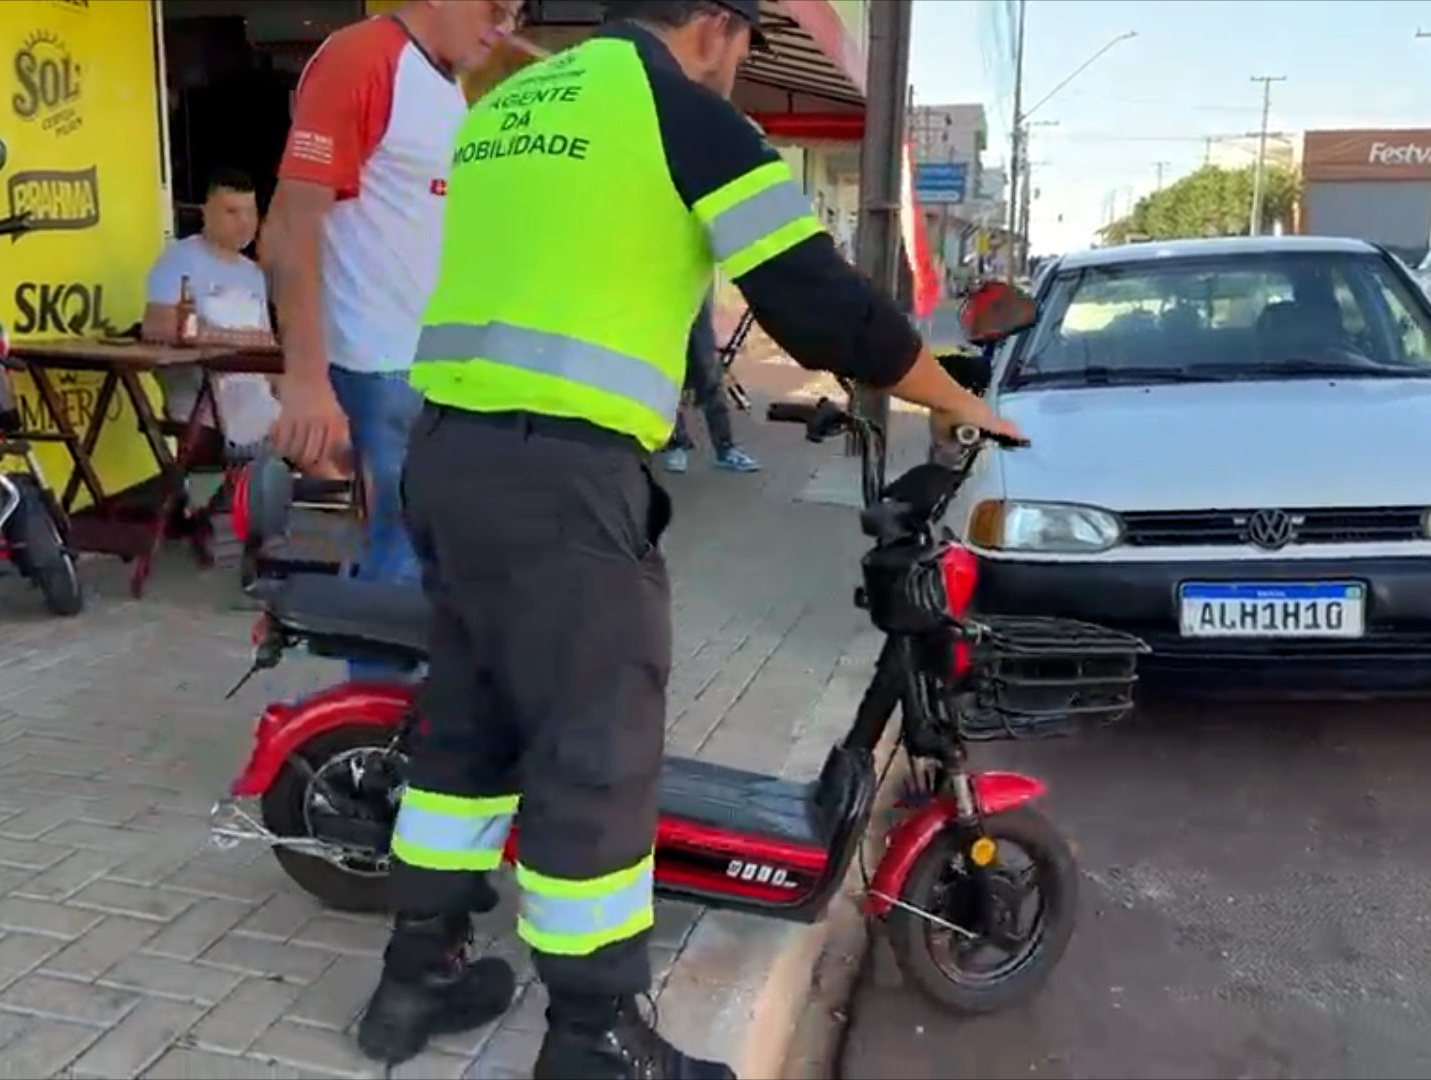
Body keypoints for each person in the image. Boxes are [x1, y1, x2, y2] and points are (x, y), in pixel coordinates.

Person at [354, 2, 1023, 1077]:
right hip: (561, 480)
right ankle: (591, 1039)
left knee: (467, 728)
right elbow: (817, 305)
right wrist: (952, 398)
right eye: (747, 47)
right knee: (594, 752)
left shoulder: (508, 101)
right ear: (716, 26)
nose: (741, 72)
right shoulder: (680, 113)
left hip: (445, 456)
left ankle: (414, 978)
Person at [259, 0, 522, 679]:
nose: (506, 25)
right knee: (395, 571)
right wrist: (308, 381)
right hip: (375, 369)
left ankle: (391, 732)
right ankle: (369, 750)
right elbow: (289, 229)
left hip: (432, 371)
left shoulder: (447, 84)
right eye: (498, 5)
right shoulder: (362, 57)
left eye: (518, 10)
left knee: (426, 566)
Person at [141, 168, 279, 450]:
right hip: (203, 403)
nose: (244, 222)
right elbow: (158, 328)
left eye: (249, 212)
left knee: (330, 437)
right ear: (206, 212)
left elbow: (268, 346)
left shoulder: (253, 273)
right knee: (319, 452)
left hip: (254, 398)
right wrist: (241, 340)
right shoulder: (180, 259)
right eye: (231, 212)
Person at [661, 288, 758, 473]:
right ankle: (676, 443)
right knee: (670, 374)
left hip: (693, 297)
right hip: (660, 304)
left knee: (708, 372)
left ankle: (725, 448)